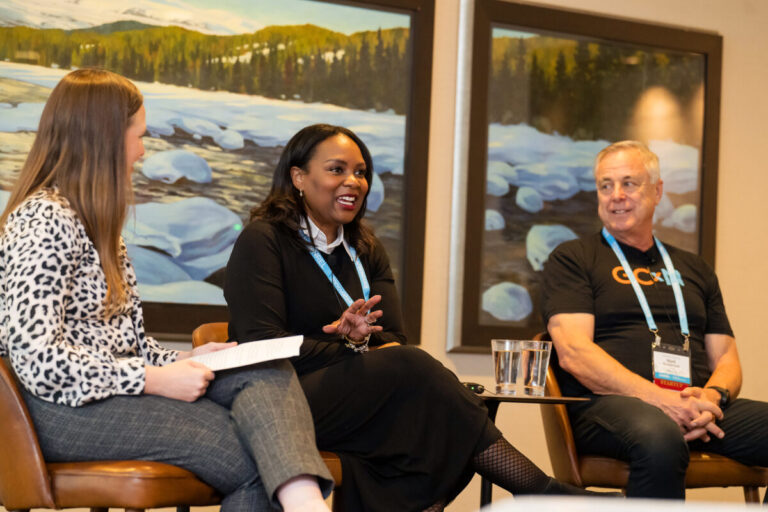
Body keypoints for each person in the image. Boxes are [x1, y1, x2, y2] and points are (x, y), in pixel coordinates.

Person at [224, 123, 618, 511]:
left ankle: (515, 496)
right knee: (435, 391)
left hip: (360, 398)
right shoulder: (264, 240)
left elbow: (393, 337)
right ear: (298, 177)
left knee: (448, 407)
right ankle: (540, 490)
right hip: (282, 398)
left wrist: (360, 343)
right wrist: (351, 348)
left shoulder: (365, 247)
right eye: (337, 169)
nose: (354, 182)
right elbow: (263, 345)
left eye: (361, 172)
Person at [0, 69, 335, 512]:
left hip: (108, 392)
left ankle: (305, 503)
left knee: (265, 367)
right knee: (252, 455)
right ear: (102, 138)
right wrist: (153, 378)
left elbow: (127, 346)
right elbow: (37, 360)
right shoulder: (43, 220)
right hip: (52, 409)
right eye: (137, 136)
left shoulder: (102, 228)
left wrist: (184, 360)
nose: (142, 151)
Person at [542, 140, 768, 499]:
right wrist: (660, 399)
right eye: (605, 185)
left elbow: (726, 358)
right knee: (659, 434)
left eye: (629, 183)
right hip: (606, 405)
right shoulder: (573, 259)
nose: (616, 195)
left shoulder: (695, 268)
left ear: (658, 190)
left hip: (693, 404)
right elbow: (574, 353)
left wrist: (711, 397)